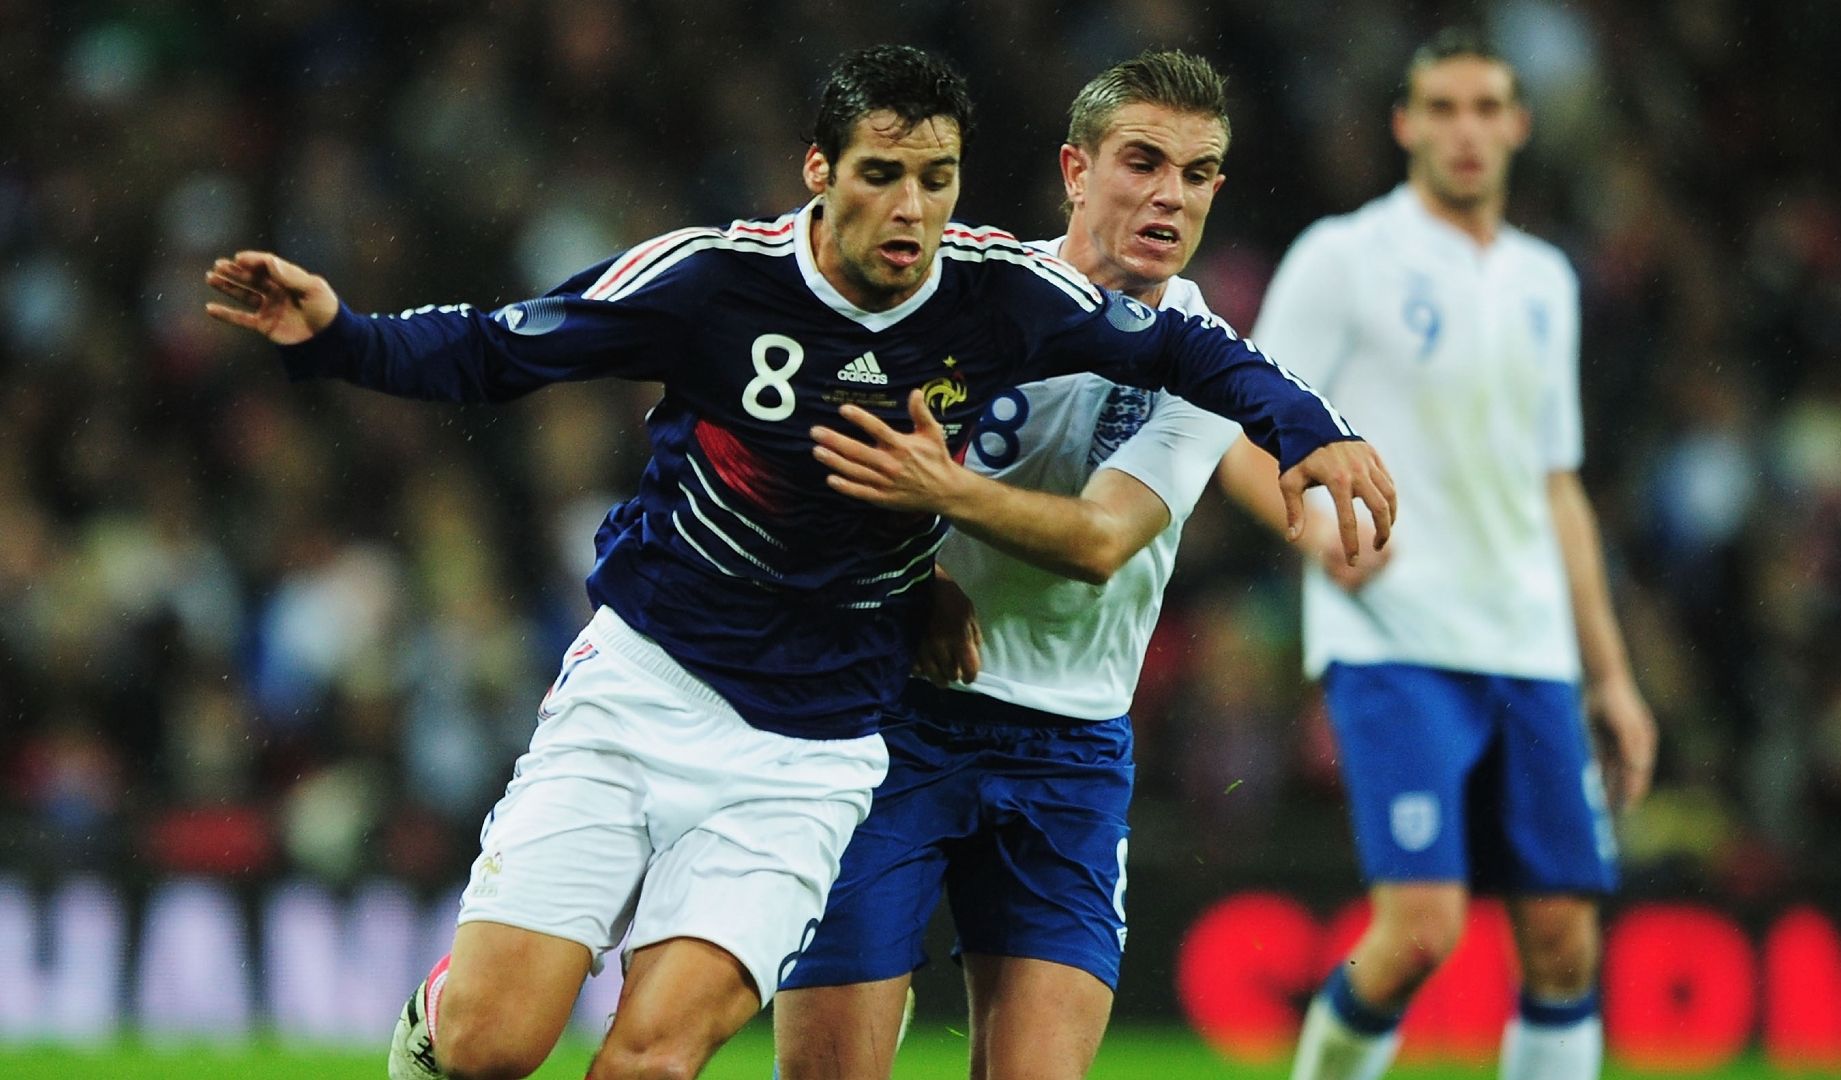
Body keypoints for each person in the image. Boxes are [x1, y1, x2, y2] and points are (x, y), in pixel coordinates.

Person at [203, 45, 1394, 1080]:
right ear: (819, 172)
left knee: (656, 1056)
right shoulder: (713, 279)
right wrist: (340, 337)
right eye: (882, 175)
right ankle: (438, 1022)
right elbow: (507, 348)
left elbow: (1195, 368)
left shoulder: (1000, 298)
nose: (911, 210)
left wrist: (1313, 430)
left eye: (936, 181)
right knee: (493, 1044)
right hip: (653, 679)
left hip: (820, 744)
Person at [773, 50, 1261, 1080]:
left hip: (1071, 748)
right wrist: (919, 578)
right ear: (1075, 171)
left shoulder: (1208, 358)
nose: (1170, 193)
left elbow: (1098, 541)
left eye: (1200, 171)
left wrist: (941, 494)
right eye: (1142, 161)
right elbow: (821, 463)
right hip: (891, 715)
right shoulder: (960, 295)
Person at [1216, 27, 1658, 1080]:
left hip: (1532, 645)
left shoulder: (1547, 281)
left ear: (1518, 124)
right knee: (1422, 931)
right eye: (1443, 108)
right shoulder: (1346, 256)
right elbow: (1236, 433)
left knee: (1563, 939)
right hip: (1397, 636)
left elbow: (1557, 487)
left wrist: (1612, 676)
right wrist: (1317, 530)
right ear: (1405, 123)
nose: (1466, 130)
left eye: (1485, 107)